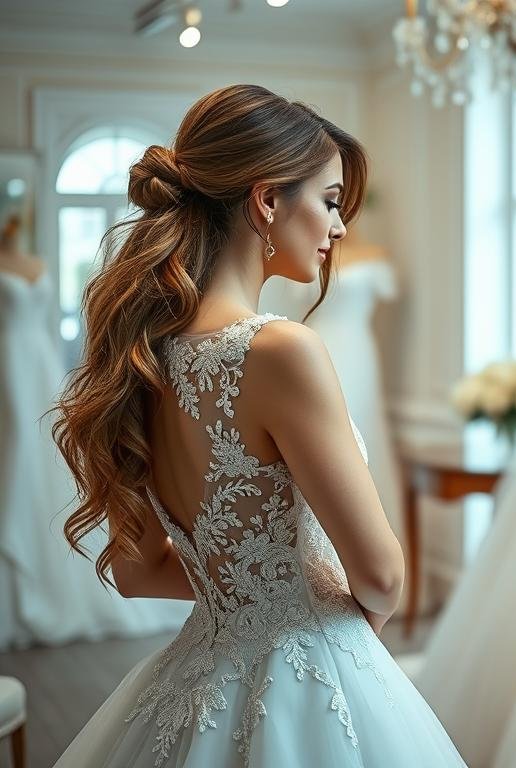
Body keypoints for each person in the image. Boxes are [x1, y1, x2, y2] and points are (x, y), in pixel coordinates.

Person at [51, 83, 465, 767]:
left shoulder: (145, 357)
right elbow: (383, 575)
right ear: (268, 201)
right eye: (329, 201)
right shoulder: (279, 350)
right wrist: (303, 607)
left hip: (196, 675)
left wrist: (248, 594)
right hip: (309, 671)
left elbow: (137, 572)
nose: (339, 228)